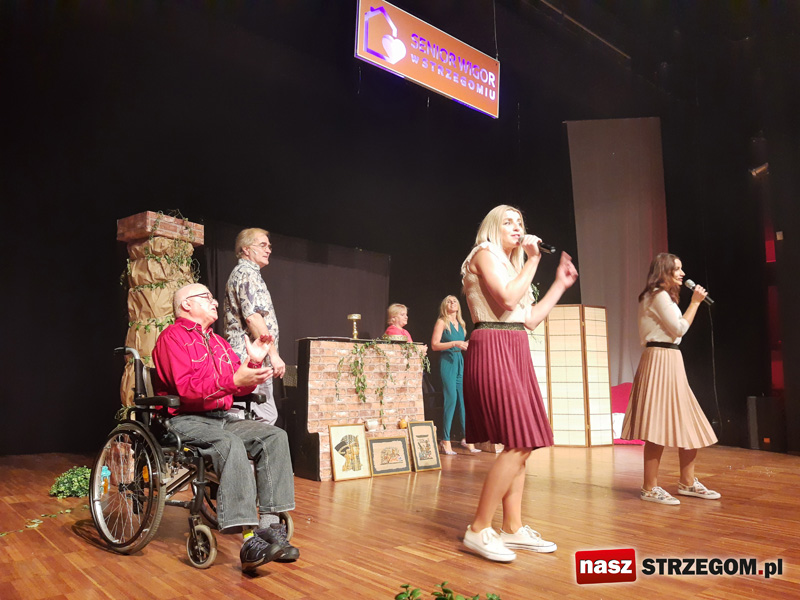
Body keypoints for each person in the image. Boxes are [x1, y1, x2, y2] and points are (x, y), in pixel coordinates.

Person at [153, 283, 300, 571]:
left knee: (274, 436)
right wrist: (233, 381)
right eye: (206, 297)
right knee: (229, 444)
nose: (216, 303)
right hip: (184, 419)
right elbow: (186, 389)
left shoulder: (218, 342)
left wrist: (253, 364)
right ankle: (249, 540)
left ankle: (270, 527)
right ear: (186, 304)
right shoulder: (172, 338)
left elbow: (239, 387)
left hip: (221, 417)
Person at [460, 205, 578, 563]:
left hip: (514, 345)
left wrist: (559, 284)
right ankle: (479, 528)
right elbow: (508, 298)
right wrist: (534, 259)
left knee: (520, 440)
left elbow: (530, 319)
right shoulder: (483, 253)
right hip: (492, 345)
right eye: (508, 222)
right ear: (492, 227)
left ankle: (512, 527)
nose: (517, 227)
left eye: (520, 222)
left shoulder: (513, 267)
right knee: (520, 441)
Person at [620, 253, 720, 505]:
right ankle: (649, 488)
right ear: (664, 271)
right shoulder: (657, 295)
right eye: (677, 269)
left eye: (681, 268)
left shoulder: (664, 297)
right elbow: (679, 329)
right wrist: (695, 303)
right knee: (657, 423)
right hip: (659, 358)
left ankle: (687, 482)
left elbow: (677, 331)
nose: (682, 273)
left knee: (688, 420)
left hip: (671, 358)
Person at [224, 228, 286, 425]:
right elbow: (253, 317)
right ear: (246, 249)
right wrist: (273, 355)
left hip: (257, 359)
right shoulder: (246, 273)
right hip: (250, 359)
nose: (268, 250)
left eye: (269, 246)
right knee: (255, 417)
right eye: (262, 245)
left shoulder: (250, 274)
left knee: (266, 416)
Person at [430, 295, 479, 455]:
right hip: (448, 362)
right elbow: (434, 345)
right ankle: (445, 440)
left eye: (455, 301)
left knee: (463, 401)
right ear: (445, 305)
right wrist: (454, 343)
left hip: (459, 361)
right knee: (451, 399)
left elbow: (462, 344)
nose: (452, 303)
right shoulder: (442, 322)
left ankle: (467, 438)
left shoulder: (461, 324)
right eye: (449, 301)